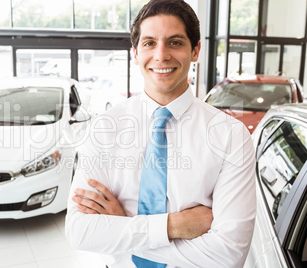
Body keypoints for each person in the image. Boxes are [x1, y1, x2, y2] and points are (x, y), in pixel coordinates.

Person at [65, 0, 256, 267]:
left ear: (196, 50)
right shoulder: (103, 128)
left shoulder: (230, 136)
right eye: (149, 43)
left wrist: (124, 227)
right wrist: (173, 226)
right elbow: (80, 232)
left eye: (175, 42)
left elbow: (228, 255)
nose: (161, 55)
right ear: (135, 53)